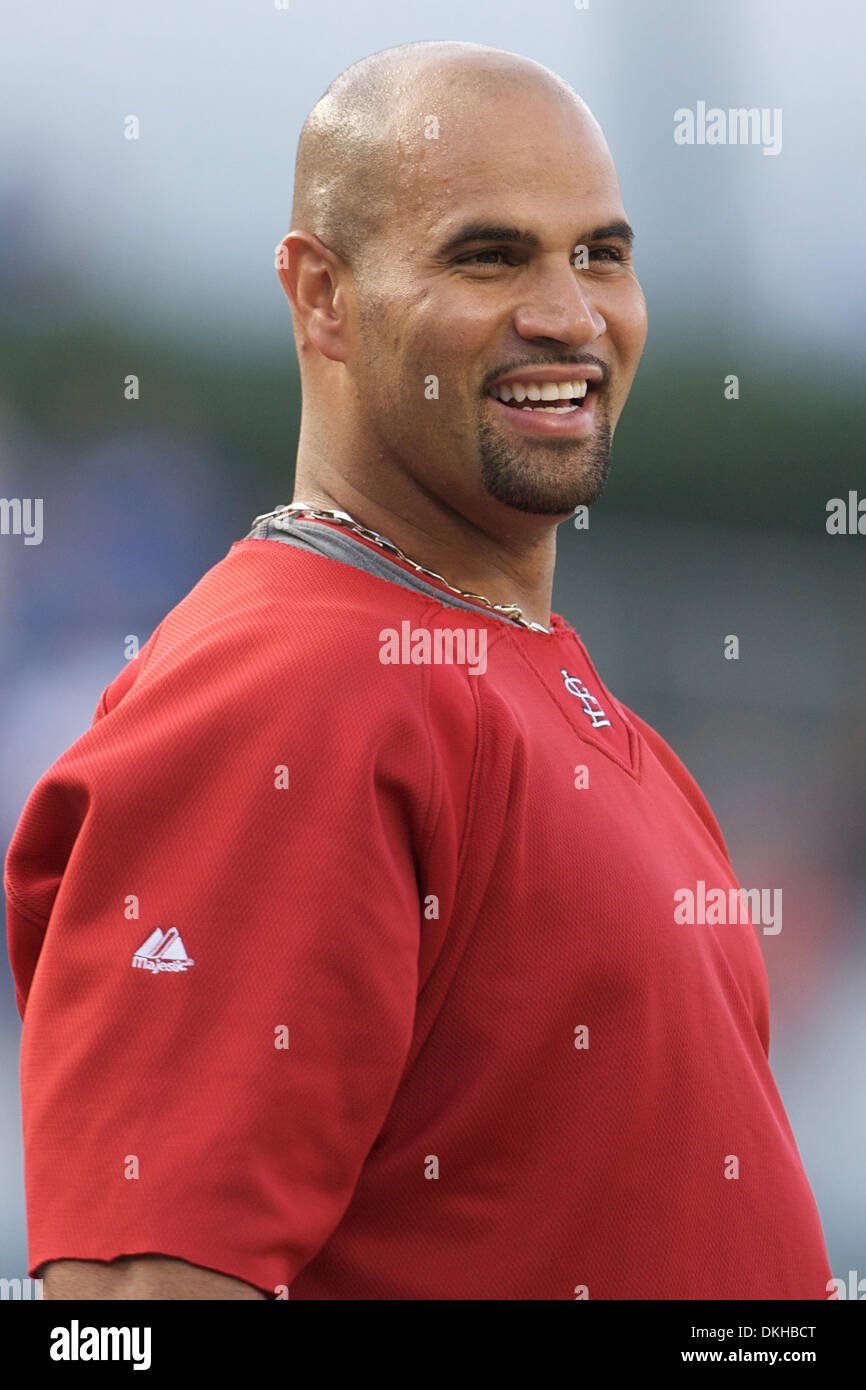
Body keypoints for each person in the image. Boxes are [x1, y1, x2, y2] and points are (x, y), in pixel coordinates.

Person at [5, 40, 832, 1300]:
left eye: (600, 253)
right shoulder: (290, 689)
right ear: (321, 296)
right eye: (487, 255)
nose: (569, 312)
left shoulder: (562, 700)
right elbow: (136, 1308)